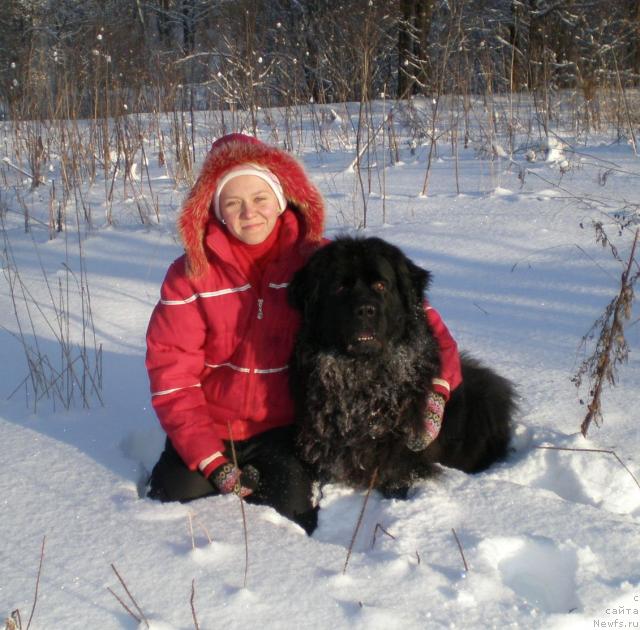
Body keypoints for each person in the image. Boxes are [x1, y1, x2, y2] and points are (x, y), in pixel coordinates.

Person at [145, 133, 461, 534]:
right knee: (170, 502)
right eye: (233, 202)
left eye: (260, 199)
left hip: (285, 429)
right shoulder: (190, 274)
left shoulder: (322, 262)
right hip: (210, 426)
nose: (249, 213)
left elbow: (424, 323)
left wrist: (438, 390)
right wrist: (209, 459)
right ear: (216, 211)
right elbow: (172, 376)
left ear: (281, 200)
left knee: (290, 519)